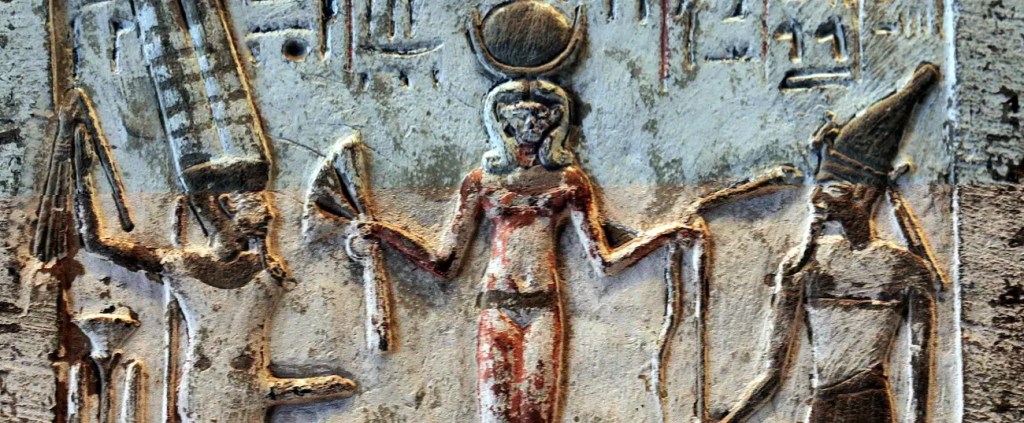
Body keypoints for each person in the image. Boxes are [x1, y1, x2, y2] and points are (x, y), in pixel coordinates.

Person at [718, 64, 943, 423]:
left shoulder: (907, 270)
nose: (818, 198)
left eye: (832, 188)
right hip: (823, 408)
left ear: (864, 194)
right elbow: (772, 375)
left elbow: (920, 382)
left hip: (872, 410)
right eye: (821, 187)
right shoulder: (803, 265)